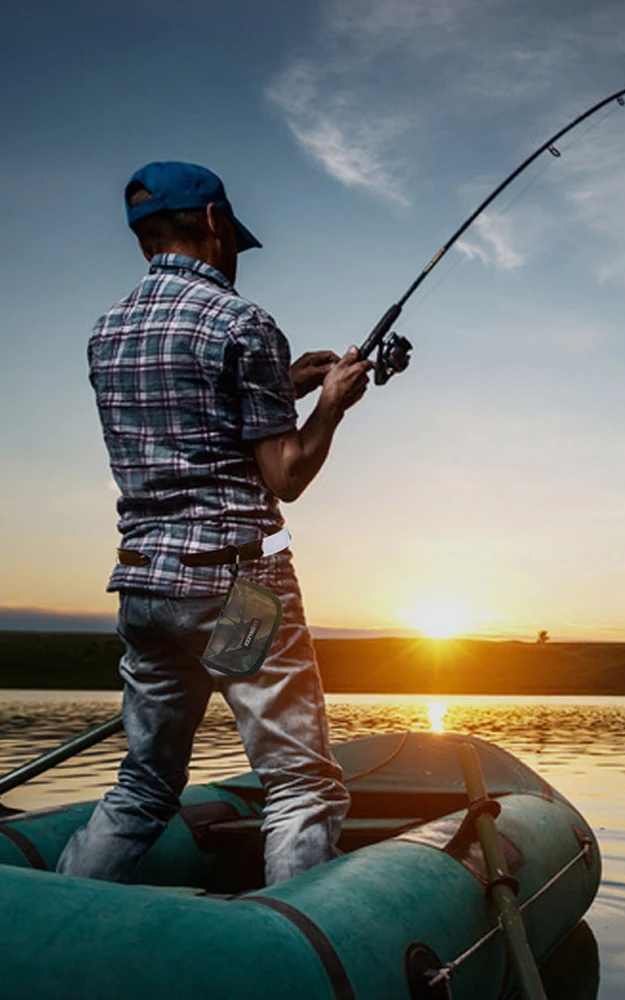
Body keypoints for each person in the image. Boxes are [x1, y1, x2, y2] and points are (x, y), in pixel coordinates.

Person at [56, 161, 372, 885]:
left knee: (143, 788)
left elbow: (184, 417)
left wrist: (278, 382)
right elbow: (284, 476)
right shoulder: (242, 322)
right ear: (211, 223)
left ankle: (50, 925)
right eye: (231, 234)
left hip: (145, 586)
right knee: (300, 783)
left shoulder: (107, 334)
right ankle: (292, 958)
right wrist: (330, 405)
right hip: (240, 593)